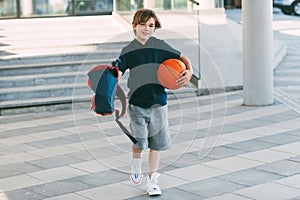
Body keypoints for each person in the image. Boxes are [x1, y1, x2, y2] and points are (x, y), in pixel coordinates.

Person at [113, 8, 192, 196]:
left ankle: (153, 180)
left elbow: (182, 57)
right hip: (137, 104)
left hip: (158, 103)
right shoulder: (129, 50)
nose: (147, 29)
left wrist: (188, 72)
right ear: (134, 26)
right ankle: (136, 160)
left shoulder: (160, 46)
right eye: (143, 24)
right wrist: (110, 81)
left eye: (151, 25)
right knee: (140, 143)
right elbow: (118, 69)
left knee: (156, 144)